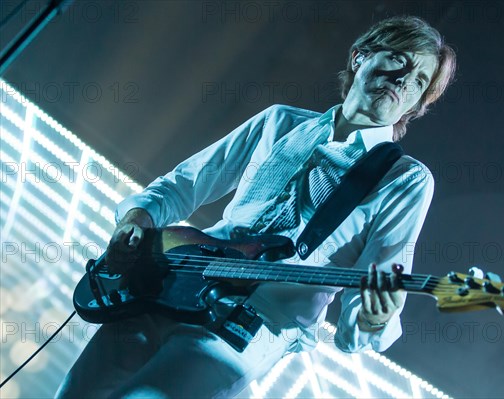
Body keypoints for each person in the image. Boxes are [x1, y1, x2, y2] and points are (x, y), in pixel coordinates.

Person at [56, 15, 456, 398]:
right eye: (398, 61)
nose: (403, 80)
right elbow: (184, 184)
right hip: (169, 280)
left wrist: (375, 316)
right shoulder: (278, 121)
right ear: (360, 57)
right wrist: (136, 220)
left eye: (419, 81)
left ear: (416, 105)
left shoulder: (405, 179)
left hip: (252, 324)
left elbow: (365, 310)